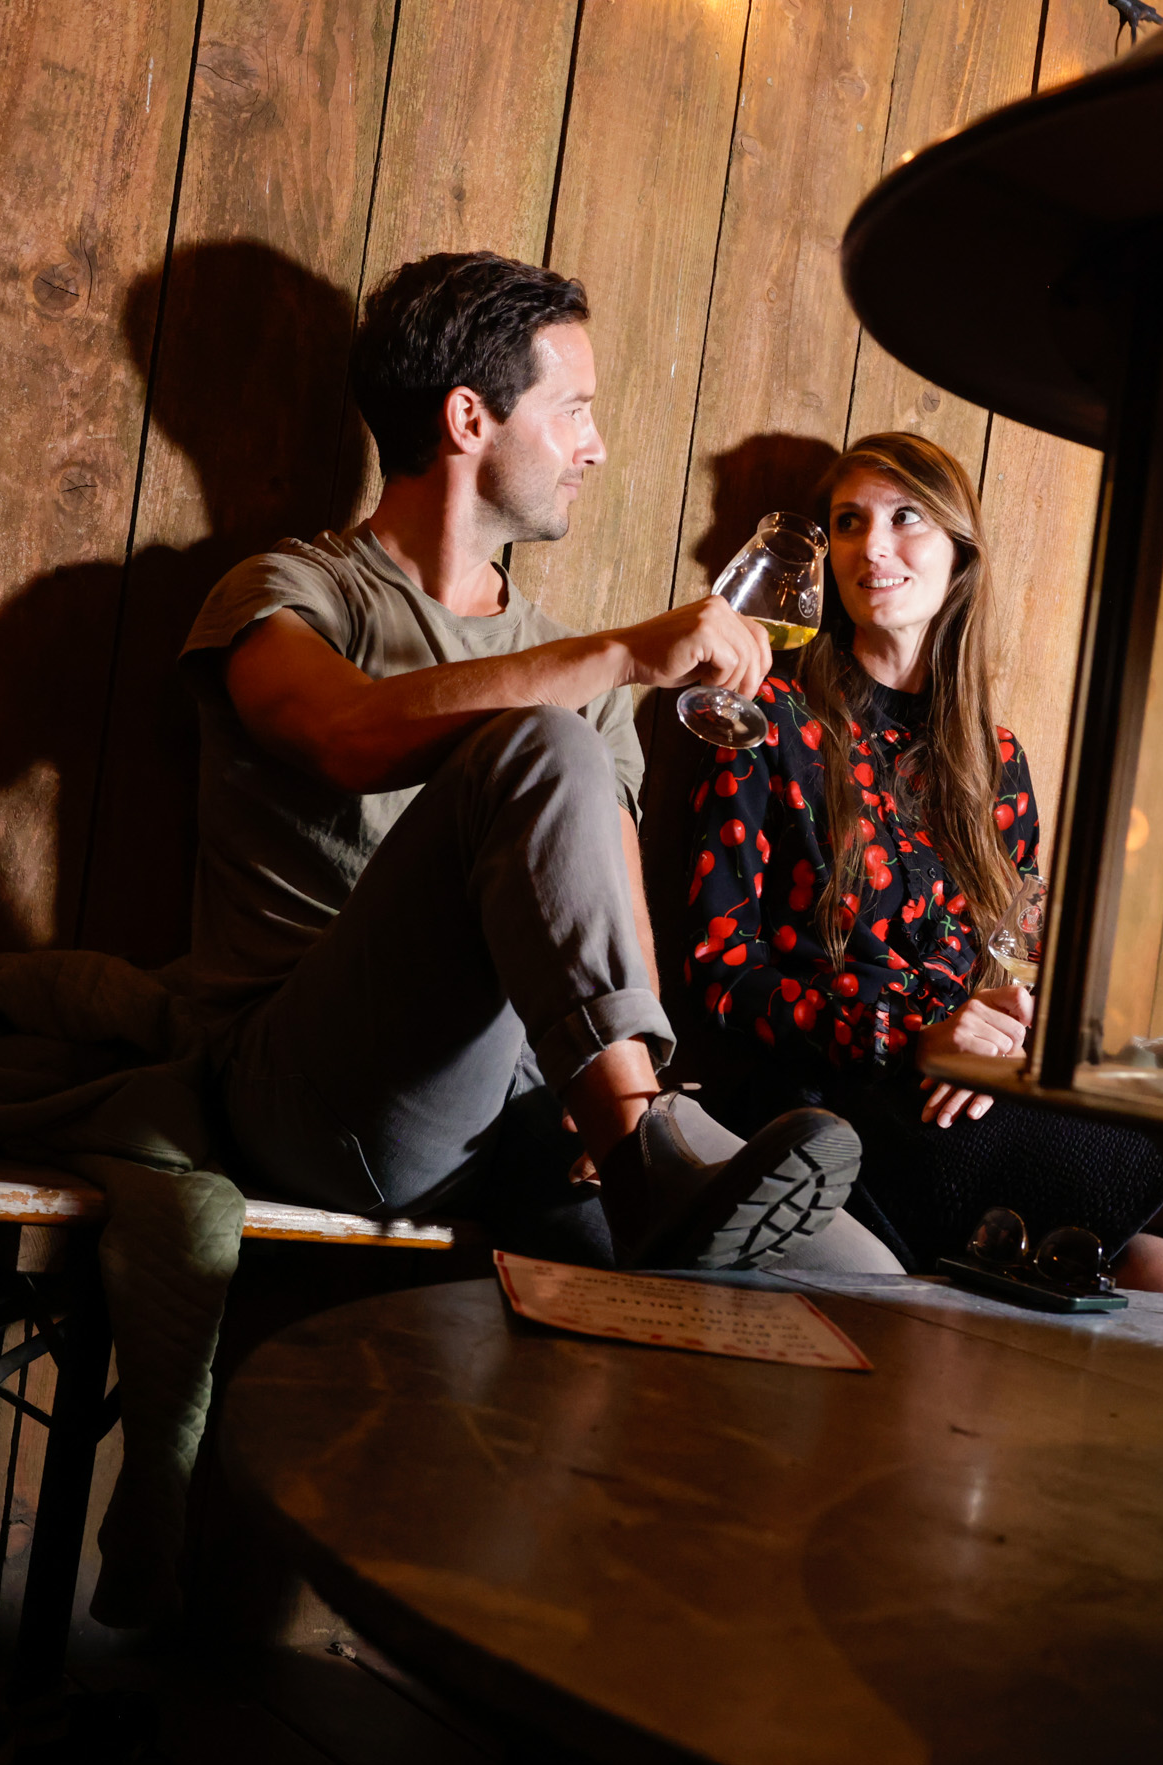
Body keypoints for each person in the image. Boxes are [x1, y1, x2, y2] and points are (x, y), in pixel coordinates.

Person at [169, 250, 860, 1268]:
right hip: (316, 1087)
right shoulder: (291, 592)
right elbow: (343, 734)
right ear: (466, 420)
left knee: (863, 1283)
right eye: (573, 410)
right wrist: (622, 654)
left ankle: (633, 1145)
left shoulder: (576, 676)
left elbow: (615, 923)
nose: (599, 446)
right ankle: (641, 1163)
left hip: (528, 1109)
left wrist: (622, 1091)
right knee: (546, 741)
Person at [680, 433, 1163, 1299]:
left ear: (960, 551)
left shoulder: (995, 762)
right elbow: (724, 975)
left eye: (904, 517)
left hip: (975, 1096)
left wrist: (1007, 1030)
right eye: (848, 523)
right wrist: (909, 1034)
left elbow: (1011, 957)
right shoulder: (766, 720)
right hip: (848, 1106)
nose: (871, 546)